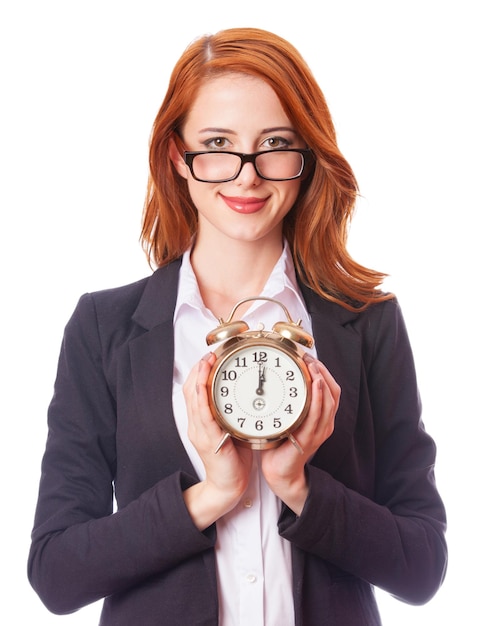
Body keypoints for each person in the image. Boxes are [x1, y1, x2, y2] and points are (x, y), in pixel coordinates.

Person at [28, 27, 447, 626]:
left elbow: (423, 567)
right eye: (217, 143)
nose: (247, 175)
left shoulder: (368, 323)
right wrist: (210, 497)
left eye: (275, 143)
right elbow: (57, 573)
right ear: (177, 156)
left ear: (306, 156)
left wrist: (297, 486)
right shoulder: (105, 329)